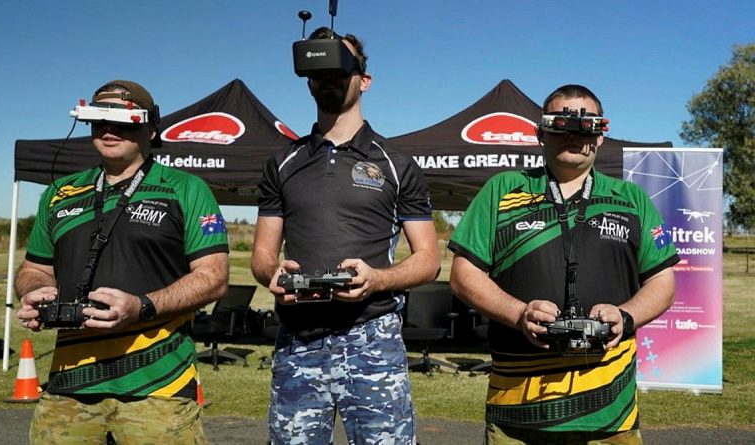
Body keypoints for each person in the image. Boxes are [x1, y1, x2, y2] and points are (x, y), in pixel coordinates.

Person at [448, 84, 679, 444]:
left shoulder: (632, 199)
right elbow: (463, 275)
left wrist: (626, 316)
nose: (573, 134)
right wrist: (518, 313)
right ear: (540, 133)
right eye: (561, 124)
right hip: (517, 410)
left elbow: (663, 283)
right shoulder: (503, 189)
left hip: (610, 412)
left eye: (585, 126)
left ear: (601, 136)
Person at [251, 27, 441, 445]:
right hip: (299, 339)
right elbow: (262, 256)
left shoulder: (396, 163)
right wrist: (274, 274)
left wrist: (377, 278)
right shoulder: (281, 163)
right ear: (308, 80)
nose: (329, 77)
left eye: (341, 66)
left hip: (373, 338)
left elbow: (428, 259)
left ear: (364, 79)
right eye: (319, 69)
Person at [15, 79, 229, 445]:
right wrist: (36, 292)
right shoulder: (60, 192)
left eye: (124, 120)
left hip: (158, 389)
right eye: (99, 119)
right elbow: (34, 269)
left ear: (150, 126)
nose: (110, 130)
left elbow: (214, 277)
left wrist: (142, 307)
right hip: (69, 389)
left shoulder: (185, 188)